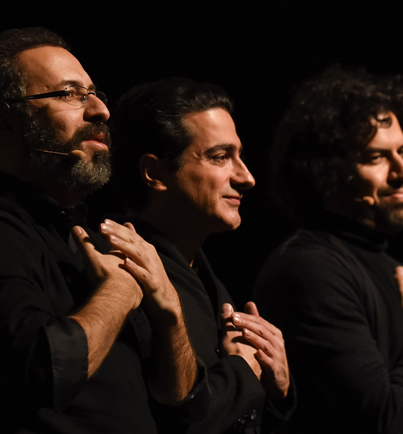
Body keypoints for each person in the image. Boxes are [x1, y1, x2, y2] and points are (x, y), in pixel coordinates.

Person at [0, 28, 200, 434]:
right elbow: (44, 372)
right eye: (69, 94)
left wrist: (169, 309)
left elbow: (175, 398)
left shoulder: (99, 238)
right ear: (0, 121)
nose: (101, 110)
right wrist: (120, 292)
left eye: (94, 93)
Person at [253, 65, 403, 434]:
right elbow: (382, 420)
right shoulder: (310, 269)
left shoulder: (390, 267)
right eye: (376, 157)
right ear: (327, 170)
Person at [109, 77, 294, 433]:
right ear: (155, 172)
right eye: (221, 157)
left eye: (239, 156)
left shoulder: (208, 280)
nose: (247, 177)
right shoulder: (122, 274)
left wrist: (277, 389)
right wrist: (243, 371)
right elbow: (178, 421)